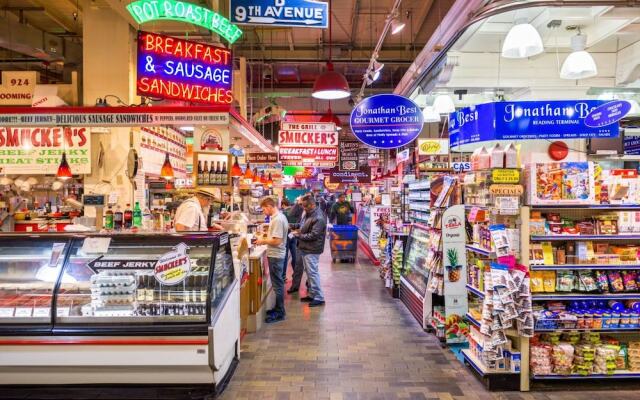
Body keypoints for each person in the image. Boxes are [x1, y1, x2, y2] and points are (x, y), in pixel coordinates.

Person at [255, 197, 289, 323]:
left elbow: (277, 241)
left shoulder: (278, 219)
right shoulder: (278, 217)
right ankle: (278, 308)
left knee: (278, 285)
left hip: (276, 255)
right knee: (277, 284)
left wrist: (262, 240)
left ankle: (280, 313)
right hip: (276, 255)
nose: (264, 211)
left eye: (264, 208)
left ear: (269, 206)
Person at [291, 194, 327, 307]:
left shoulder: (319, 217)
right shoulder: (308, 214)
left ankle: (319, 297)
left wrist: (298, 236)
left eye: (305, 207)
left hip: (312, 249)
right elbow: (302, 226)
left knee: (312, 273)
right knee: (309, 273)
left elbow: (314, 235)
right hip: (305, 248)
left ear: (312, 205)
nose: (303, 209)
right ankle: (312, 294)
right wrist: (291, 226)